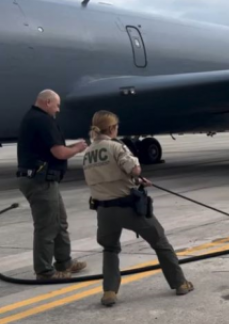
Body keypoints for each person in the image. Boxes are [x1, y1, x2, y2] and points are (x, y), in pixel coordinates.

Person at [82, 110, 193, 307]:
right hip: (127, 207)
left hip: (104, 211)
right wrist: (136, 171)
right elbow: (134, 170)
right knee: (160, 241)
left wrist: (134, 180)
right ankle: (180, 283)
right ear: (111, 128)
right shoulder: (116, 147)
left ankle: (109, 292)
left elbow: (105, 176)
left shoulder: (89, 152)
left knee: (110, 249)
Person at [16, 89, 88, 280]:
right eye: (56, 106)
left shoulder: (34, 117)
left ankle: (65, 263)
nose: (57, 110)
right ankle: (45, 272)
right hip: (40, 181)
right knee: (47, 227)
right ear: (47, 102)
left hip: (45, 180)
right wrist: (78, 148)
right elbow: (59, 153)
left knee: (59, 222)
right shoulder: (42, 120)